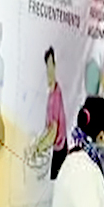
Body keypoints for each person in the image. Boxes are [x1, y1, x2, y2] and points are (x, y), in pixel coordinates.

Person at [36, 47, 67, 180]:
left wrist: (39, 148)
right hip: (57, 147)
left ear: (54, 66)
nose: (49, 71)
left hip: (59, 148)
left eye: (50, 66)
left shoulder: (55, 96)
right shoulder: (51, 94)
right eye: (47, 67)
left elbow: (53, 131)